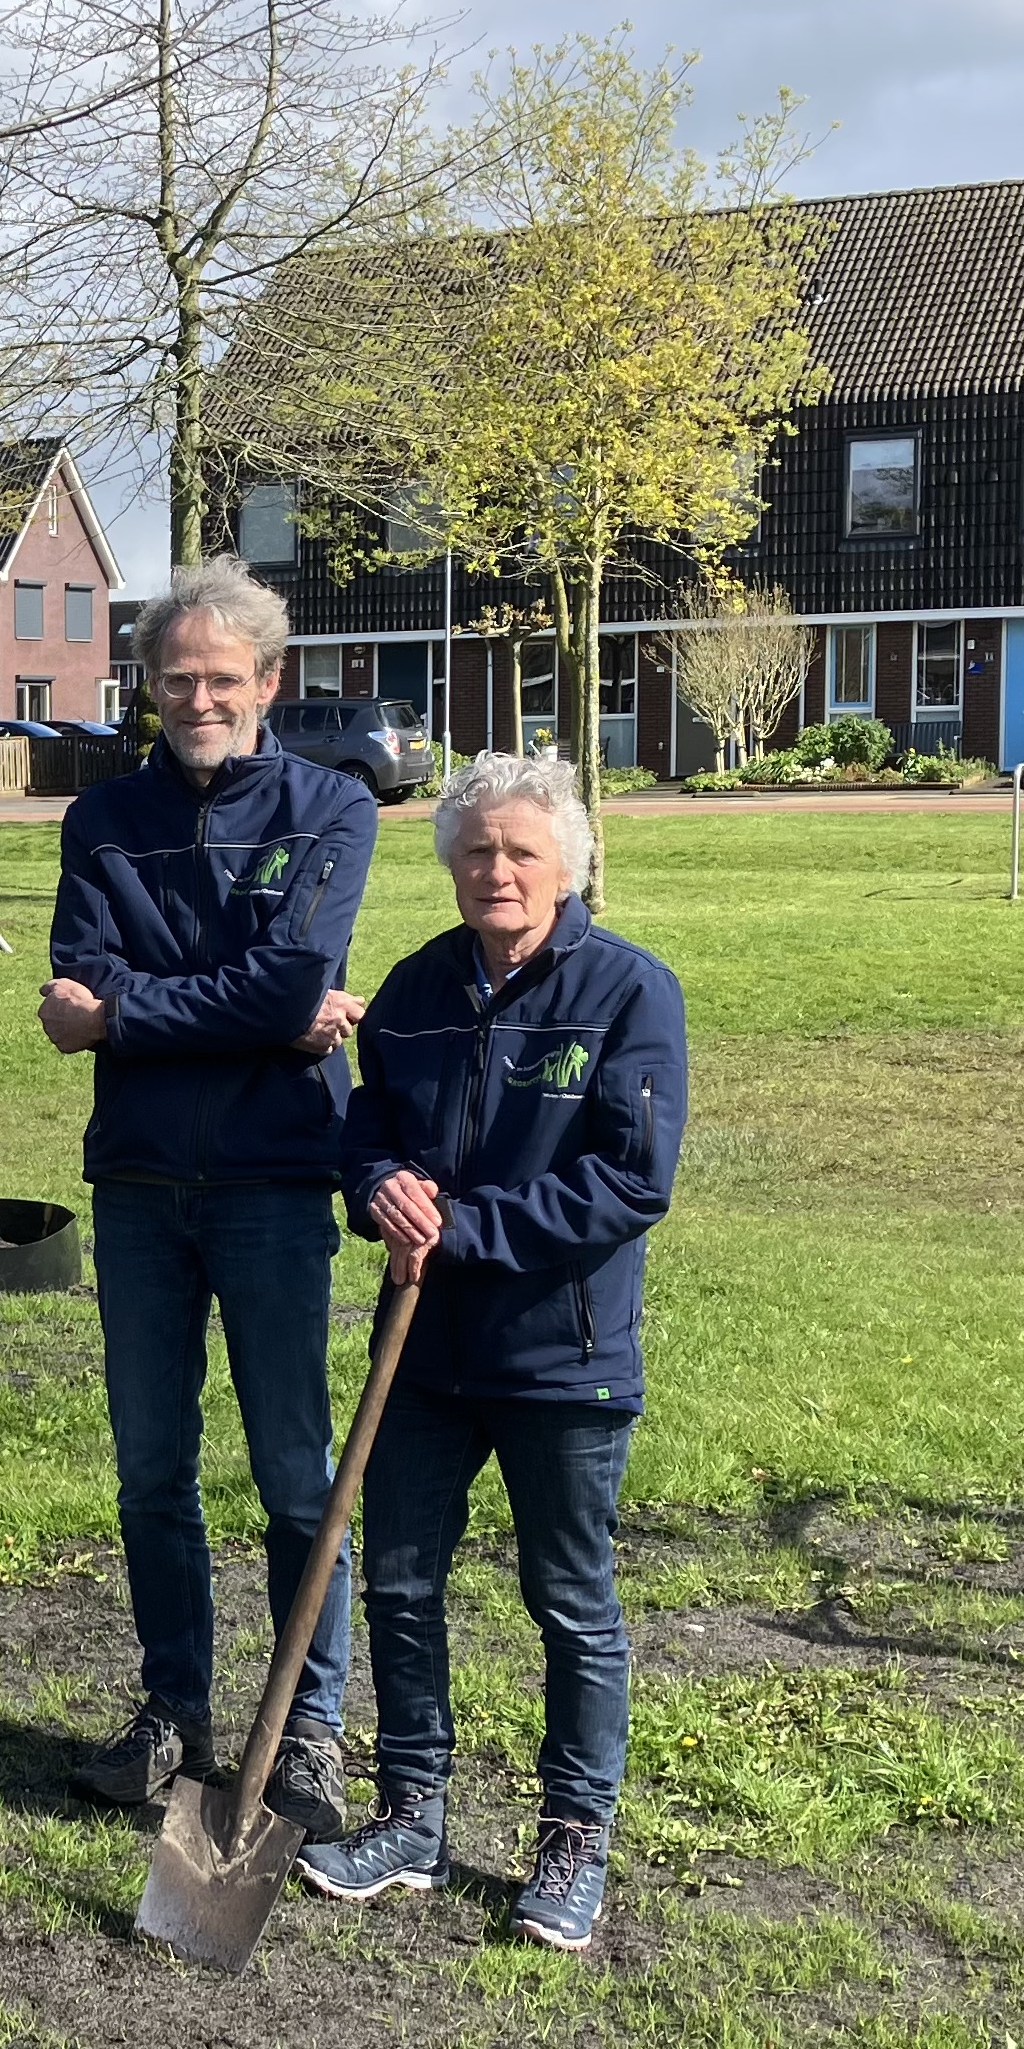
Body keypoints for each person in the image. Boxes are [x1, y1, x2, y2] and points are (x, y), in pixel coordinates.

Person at [308, 750, 682, 1951]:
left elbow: (631, 1179)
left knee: (567, 1600)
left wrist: (465, 1225)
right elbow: (367, 1123)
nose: (498, 871)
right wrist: (377, 1186)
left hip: (561, 1356)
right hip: (421, 1351)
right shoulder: (414, 990)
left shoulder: (629, 993)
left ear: (569, 863)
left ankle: (574, 1838)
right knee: (401, 1582)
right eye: (477, 851)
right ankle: (410, 1813)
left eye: (522, 851)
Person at [40, 561, 379, 1835]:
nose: (198, 699)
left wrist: (129, 1012)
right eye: (175, 678)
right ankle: (170, 1708)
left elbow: (285, 989)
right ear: (148, 686)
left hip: (273, 1183)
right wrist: (238, 1009)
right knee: (149, 1471)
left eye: (222, 679)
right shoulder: (101, 821)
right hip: (136, 1186)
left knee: (297, 1475)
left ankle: (310, 1730)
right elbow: (84, 985)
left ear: (269, 685)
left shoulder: (332, 807)